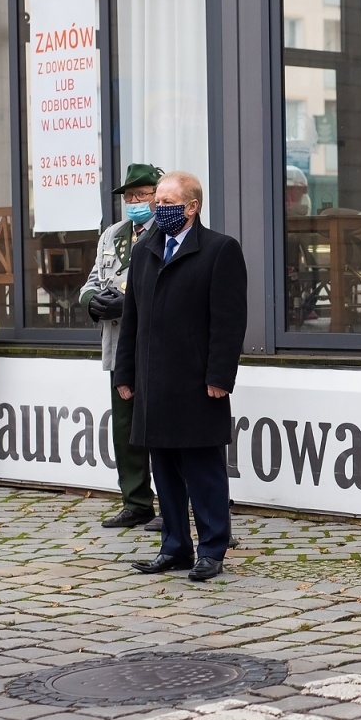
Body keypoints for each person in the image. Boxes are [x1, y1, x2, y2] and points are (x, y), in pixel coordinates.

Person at [115, 171, 248, 583]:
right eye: (157, 201)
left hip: (197, 383)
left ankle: (212, 549)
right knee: (165, 472)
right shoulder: (145, 250)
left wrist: (219, 375)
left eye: (168, 201)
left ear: (192, 206)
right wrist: (126, 372)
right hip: (154, 383)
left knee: (203, 472)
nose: (159, 208)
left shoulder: (219, 250)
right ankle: (174, 546)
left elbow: (228, 322)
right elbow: (131, 319)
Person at [80, 163, 163, 531]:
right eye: (129, 196)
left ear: (157, 197)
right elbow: (94, 278)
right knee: (125, 426)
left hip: (156, 345)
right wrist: (91, 301)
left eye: (141, 195)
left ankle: (175, 504)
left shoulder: (168, 230)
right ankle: (136, 501)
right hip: (118, 346)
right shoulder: (112, 234)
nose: (133, 202)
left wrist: (128, 301)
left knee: (162, 426)